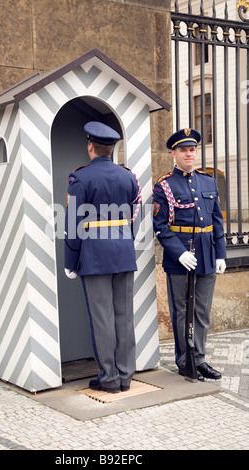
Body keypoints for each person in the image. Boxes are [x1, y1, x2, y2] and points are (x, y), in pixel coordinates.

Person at [64, 121, 142, 393]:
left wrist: (70, 262)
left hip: (94, 256)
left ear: (90, 146)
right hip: (123, 252)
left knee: (103, 319)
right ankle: (125, 376)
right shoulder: (129, 176)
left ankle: (109, 378)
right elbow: (136, 217)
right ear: (111, 148)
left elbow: (73, 224)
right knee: (124, 317)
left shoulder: (80, 178)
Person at [152, 128, 226, 381]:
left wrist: (221, 254)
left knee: (202, 311)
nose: (188, 154)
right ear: (173, 153)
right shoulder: (164, 185)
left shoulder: (208, 181)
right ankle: (185, 361)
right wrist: (179, 252)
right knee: (183, 311)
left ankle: (200, 359)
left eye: (192, 149)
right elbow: (160, 225)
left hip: (206, 253)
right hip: (180, 256)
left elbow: (217, 221)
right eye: (183, 150)